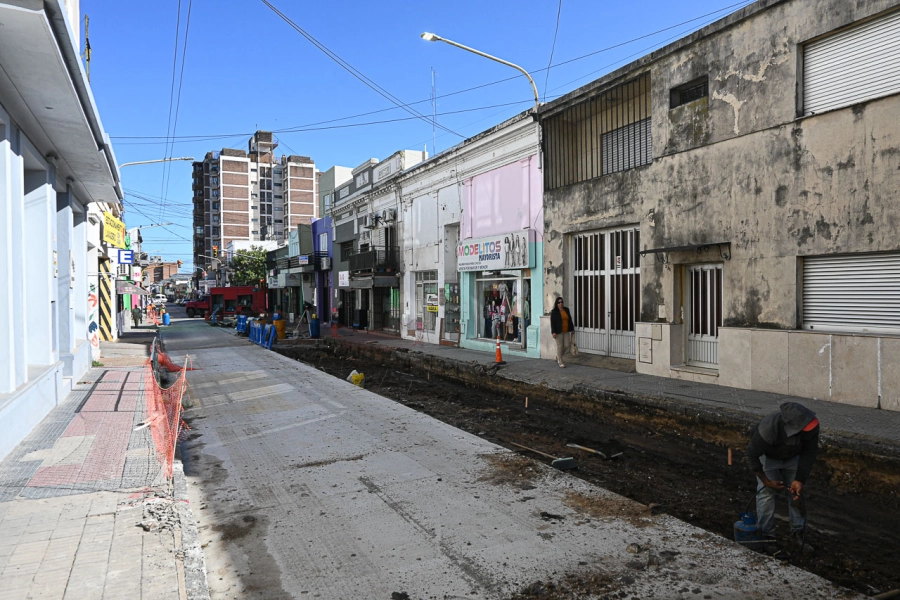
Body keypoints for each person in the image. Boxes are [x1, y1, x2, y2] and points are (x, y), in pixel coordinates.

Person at [745, 402, 820, 541]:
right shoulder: (769, 428)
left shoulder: (811, 426)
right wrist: (766, 481)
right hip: (768, 457)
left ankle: (798, 533)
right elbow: (751, 455)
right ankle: (766, 535)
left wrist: (799, 479)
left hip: (792, 457)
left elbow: (809, 454)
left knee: (796, 492)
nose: (808, 430)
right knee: (766, 493)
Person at [549, 296, 574, 368]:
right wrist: (553, 332)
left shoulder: (566, 310)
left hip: (566, 331)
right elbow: (552, 323)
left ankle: (558, 356)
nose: (561, 304)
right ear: (556, 304)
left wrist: (572, 329)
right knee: (560, 346)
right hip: (558, 331)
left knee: (567, 345)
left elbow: (570, 320)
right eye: (559, 302)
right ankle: (560, 361)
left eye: (562, 302)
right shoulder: (554, 312)